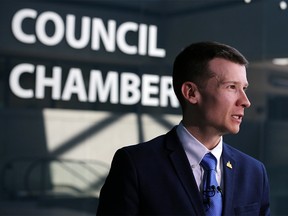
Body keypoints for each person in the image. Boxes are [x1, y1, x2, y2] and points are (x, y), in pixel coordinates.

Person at [96, 41, 270, 215]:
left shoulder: (254, 173)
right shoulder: (136, 166)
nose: (245, 101)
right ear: (191, 93)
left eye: (244, 88)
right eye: (231, 87)